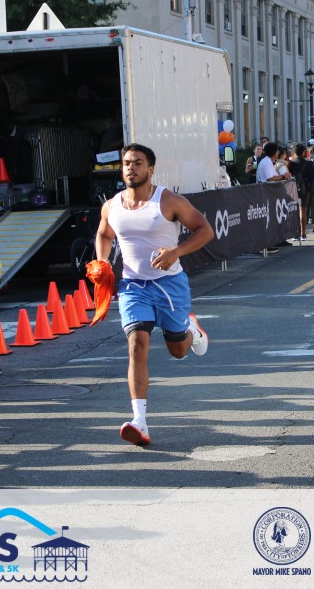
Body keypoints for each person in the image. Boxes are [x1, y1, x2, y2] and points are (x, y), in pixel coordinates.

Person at [93, 143, 213, 446]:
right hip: (133, 286)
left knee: (178, 351)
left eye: (137, 163)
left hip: (169, 285)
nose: (131, 168)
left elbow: (205, 230)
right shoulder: (112, 206)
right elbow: (104, 234)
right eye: (126, 163)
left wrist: (176, 252)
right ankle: (140, 421)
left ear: (150, 169)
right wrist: (102, 262)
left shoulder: (168, 201)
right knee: (137, 344)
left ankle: (190, 329)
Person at [289, 143, 314, 241]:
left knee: (294, 211)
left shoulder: (291, 163)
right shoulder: (308, 163)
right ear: (304, 152)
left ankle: (295, 234)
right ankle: (303, 234)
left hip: (292, 188)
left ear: (294, 152)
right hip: (305, 189)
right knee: (303, 211)